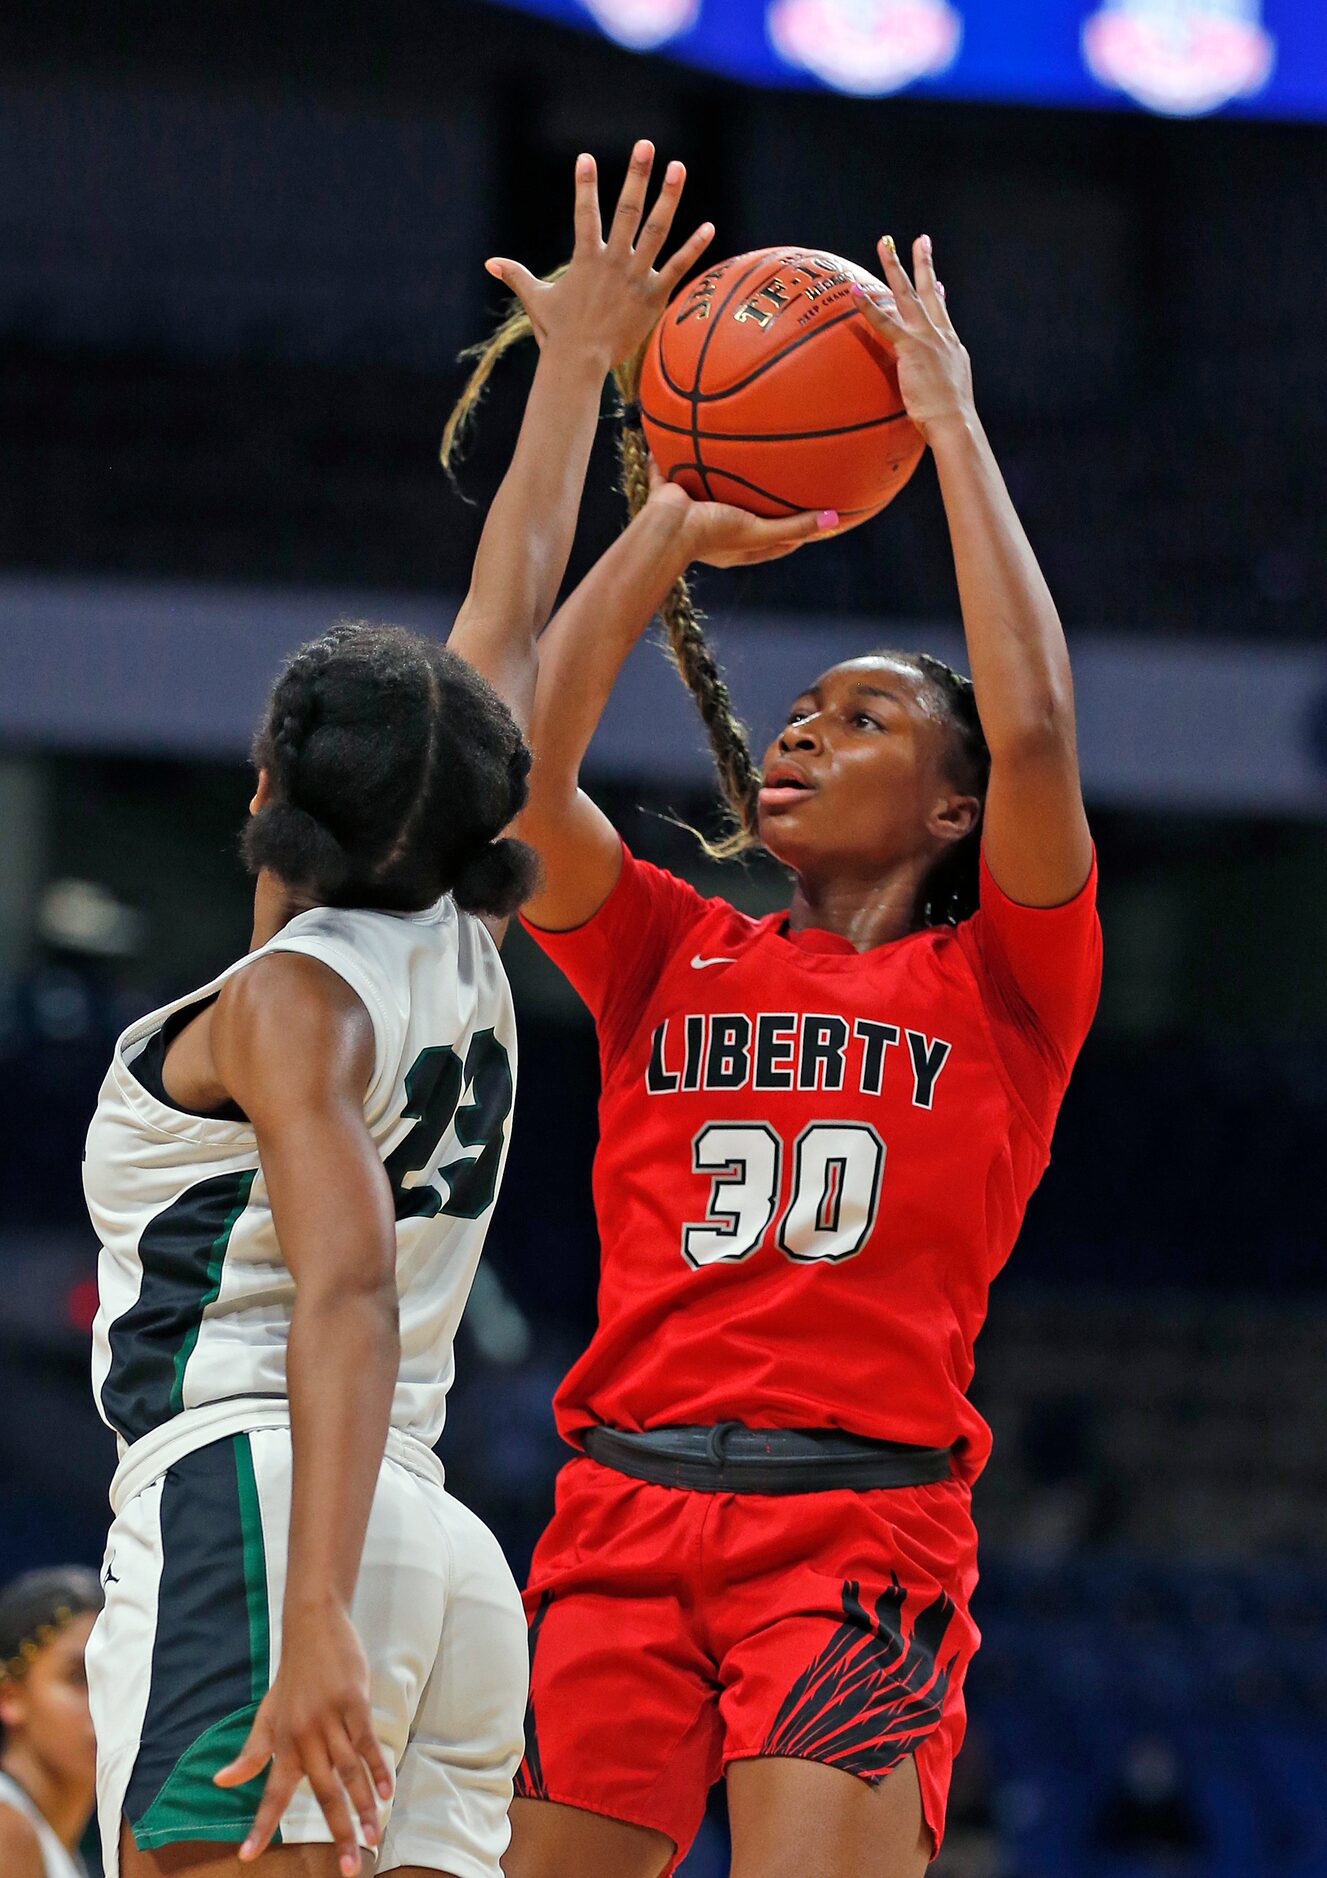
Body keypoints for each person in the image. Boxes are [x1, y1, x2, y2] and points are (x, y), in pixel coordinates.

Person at [82, 143, 713, 1878]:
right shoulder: (456, 935)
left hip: (279, 1507)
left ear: (270, 776)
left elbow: (342, 1294)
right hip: (435, 1542)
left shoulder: (292, 1003)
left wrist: (306, 1628)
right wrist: (592, 394)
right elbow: (504, 623)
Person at [475, 232, 1102, 1876]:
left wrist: (948, 422)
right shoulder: (669, 942)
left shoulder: (1010, 981)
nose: (808, 727)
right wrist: (662, 530)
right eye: (804, 705)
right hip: (616, 1512)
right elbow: (519, 788)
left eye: (866, 716)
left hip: (851, 1530)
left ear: (954, 808)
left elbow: (1035, 727)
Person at [0, 1567, 103, 1878]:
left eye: (115, 1678)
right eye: (79, 1677)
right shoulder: (8, 1831)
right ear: (10, 1697)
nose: (106, 1703)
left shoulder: (60, 1848)